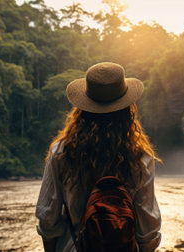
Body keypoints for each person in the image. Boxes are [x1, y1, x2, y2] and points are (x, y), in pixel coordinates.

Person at [35, 62, 162, 252]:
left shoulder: (62, 152)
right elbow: (148, 230)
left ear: (82, 109)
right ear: (128, 109)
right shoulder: (140, 158)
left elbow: (47, 217)